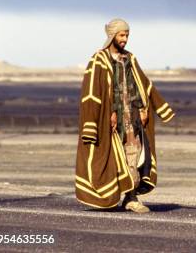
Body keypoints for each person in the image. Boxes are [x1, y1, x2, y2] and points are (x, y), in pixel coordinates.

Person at [75, 18, 175, 212]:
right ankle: (110, 196)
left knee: (134, 155)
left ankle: (131, 197)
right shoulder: (100, 59)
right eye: (122, 35)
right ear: (112, 36)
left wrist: (145, 108)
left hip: (132, 117)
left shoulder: (129, 58)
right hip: (110, 119)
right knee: (111, 157)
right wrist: (110, 112)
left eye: (127, 35)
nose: (125, 39)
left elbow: (142, 84)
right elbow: (93, 91)